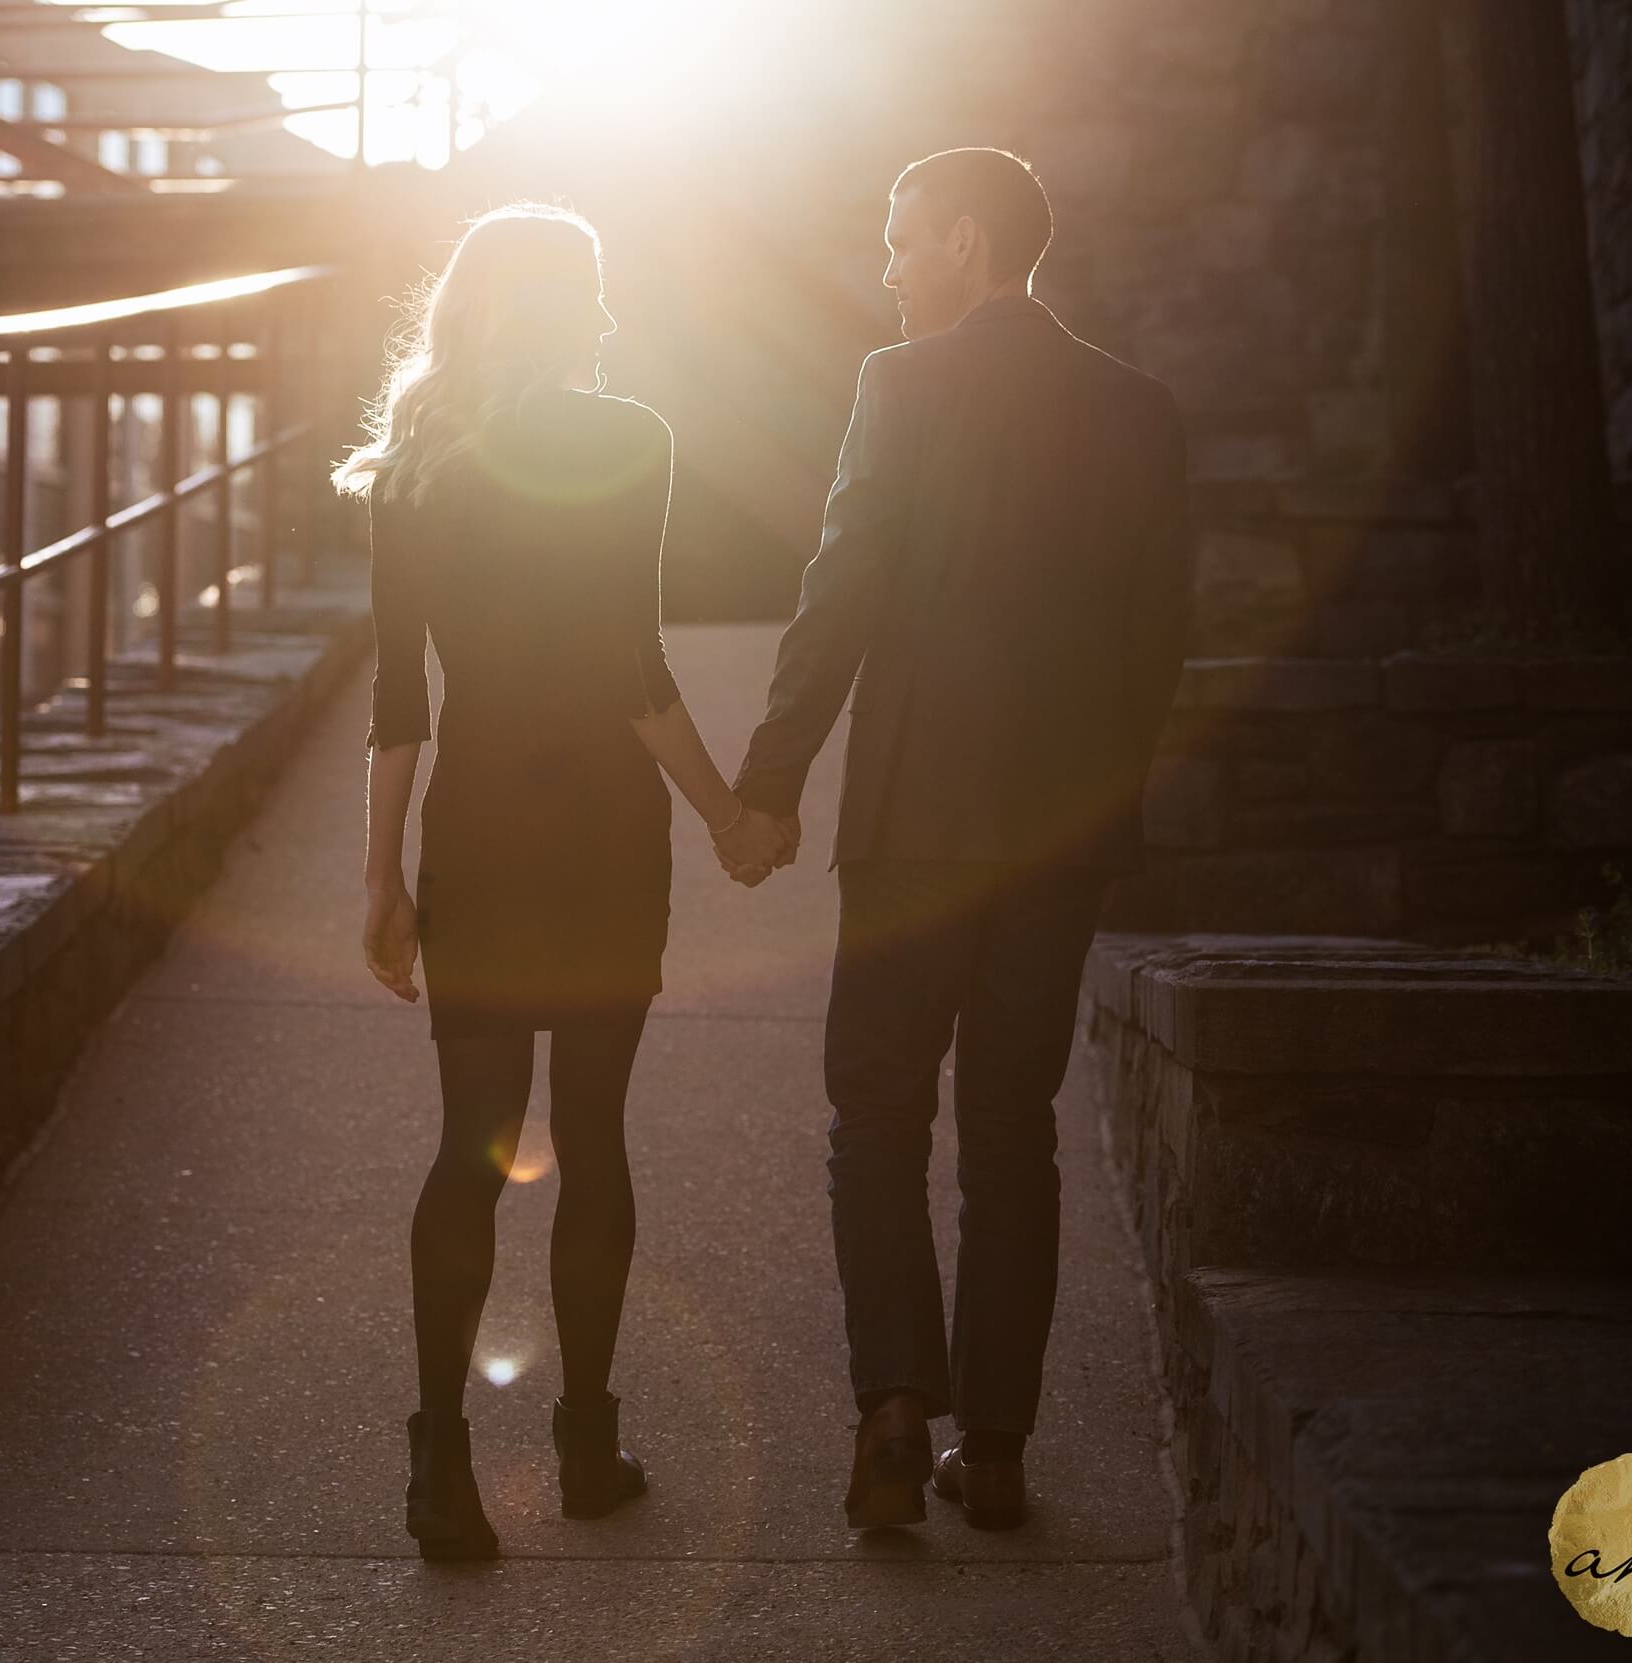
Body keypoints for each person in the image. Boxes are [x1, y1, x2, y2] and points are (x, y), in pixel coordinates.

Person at [714, 148, 1193, 1532]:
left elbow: (844, 579)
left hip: (915, 819)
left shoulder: (903, 386)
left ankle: (892, 1408)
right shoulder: (1139, 406)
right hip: (1056, 837)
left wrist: (770, 780)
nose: (891, 266)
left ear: (970, 244)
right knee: (1010, 1132)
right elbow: (1160, 634)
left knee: (874, 1117)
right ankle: (993, 1450)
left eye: (905, 239)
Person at [338, 203, 775, 1563]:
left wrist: (382, 880)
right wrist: (725, 814)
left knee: (470, 1139)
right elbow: (631, 665)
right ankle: (586, 1449)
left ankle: (441, 1471)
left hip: (476, 825)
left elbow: (401, 697)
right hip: (599, 830)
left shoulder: (416, 462)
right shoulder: (628, 441)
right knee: (592, 1135)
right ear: (577, 304)